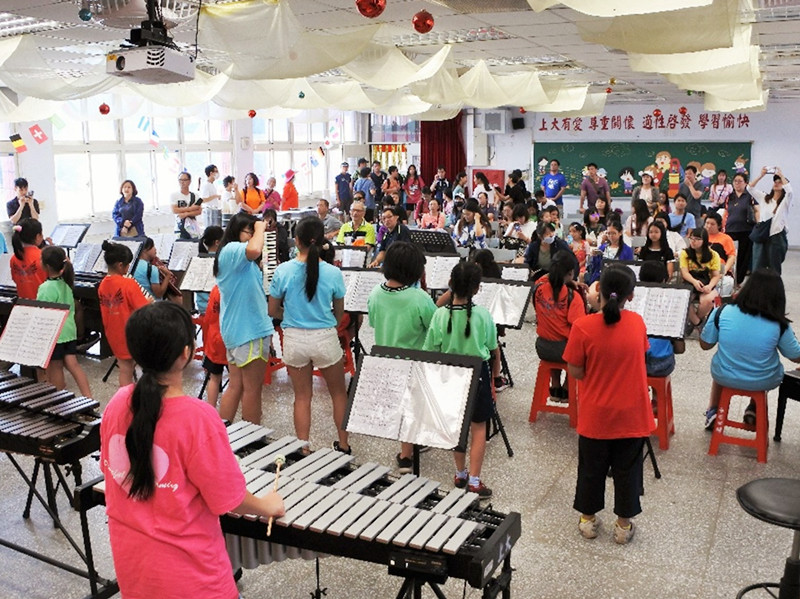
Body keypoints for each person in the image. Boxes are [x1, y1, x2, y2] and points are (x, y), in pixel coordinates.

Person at [100, 301, 284, 599]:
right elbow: (227, 499)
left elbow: (118, 474)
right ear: (186, 353)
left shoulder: (117, 403)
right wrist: (267, 505)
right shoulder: (198, 419)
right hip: (193, 579)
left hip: (134, 569)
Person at [564, 265, 653, 545]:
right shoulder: (637, 323)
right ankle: (623, 527)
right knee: (628, 472)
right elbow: (642, 354)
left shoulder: (583, 326)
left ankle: (588, 520)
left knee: (591, 469)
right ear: (632, 295)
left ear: (598, 290)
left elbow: (575, 371)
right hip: (633, 416)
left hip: (596, 417)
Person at [268, 217, 351, 454]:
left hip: (294, 339)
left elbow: (272, 310)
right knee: (338, 394)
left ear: (296, 241)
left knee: (302, 397)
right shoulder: (333, 272)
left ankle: (303, 447)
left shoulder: (283, 270)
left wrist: (291, 312)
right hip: (324, 337)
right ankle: (343, 444)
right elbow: (338, 315)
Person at [423, 262, 498, 499]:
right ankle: (475, 481)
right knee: (479, 429)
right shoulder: (483, 315)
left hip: (448, 378)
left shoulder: (439, 315)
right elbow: (492, 348)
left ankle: (460, 473)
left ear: (451, 285)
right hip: (478, 375)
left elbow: (430, 351)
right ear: (476, 289)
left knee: (457, 429)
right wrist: (495, 380)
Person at [700, 269, 800, 430]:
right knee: (767, 362)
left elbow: (705, 344)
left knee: (723, 361)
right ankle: (754, 407)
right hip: (763, 379)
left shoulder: (723, 311)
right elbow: (795, 355)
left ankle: (714, 411)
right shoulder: (779, 323)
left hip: (725, 375)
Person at [368, 242, 436, 472]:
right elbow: (434, 327)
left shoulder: (376, 292)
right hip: (415, 362)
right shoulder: (420, 298)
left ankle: (411, 443)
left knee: (404, 405)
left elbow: (374, 322)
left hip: (385, 360)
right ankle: (406, 455)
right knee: (412, 407)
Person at [213, 213, 274, 425]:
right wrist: (260, 227)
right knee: (252, 389)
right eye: (249, 231)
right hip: (248, 331)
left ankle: (223, 434)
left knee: (237, 385)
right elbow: (255, 248)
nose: (254, 235)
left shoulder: (239, 259)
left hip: (240, 329)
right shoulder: (231, 250)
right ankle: (252, 441)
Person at [37, 246, 92, 398]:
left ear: (46, 266)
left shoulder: (45, 288)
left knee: (56, 369)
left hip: (55, 334)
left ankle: (60, 403)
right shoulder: (65, 283)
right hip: (69, 332)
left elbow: (43, 314)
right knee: (74, 366)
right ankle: (89, 399)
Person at [97, 241, 154, 386]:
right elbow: (142, 309)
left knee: (124, 369)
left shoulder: (103, 284)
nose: (129, 268)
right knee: (144, 366)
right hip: (131, 334)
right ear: (121, 265)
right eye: (128, 264)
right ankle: (140, 398)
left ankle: (124, 400)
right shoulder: (128, 284)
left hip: (114, 333)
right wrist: (148, 301)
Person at [534, 250, 586, 399]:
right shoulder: (572, 296)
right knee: (580, 347)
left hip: (542, 347)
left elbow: (545, 279)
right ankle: (567, 388)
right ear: (570, 273)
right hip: (565, 350)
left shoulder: (538, 288)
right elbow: (579, 326)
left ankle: (555, 386)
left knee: (554, 335)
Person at [638, 261, 684, 383]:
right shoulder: (672, 303)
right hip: (662, 365)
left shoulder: (633, 300)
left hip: (634, 363)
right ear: (664, 281)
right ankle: (657, 400)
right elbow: (680, 349)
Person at [748, 166, 792, 274]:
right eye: (775, 181)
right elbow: (749, 188)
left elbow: (790, 191)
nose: (776, 183)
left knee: (774, 268)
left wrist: (781, 175)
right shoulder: (765, 198)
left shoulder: (785, 201)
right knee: (757, 266)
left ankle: (774, 290)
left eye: (779, 182)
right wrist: (761, 175)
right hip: (762, 234)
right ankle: (757, 289)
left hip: (777, 236)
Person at [680, 227, 721, 333]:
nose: (693, 241)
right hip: (690, 282)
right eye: (691, 238)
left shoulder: (713, 255)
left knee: (708, 300)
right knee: (683, 299)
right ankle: (698, 323)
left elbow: (716, 275)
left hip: (707, 282)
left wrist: (709, 286)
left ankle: (693, 322)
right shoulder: (685, 253)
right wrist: (694, 282)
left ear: (704, 240)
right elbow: (684, 273)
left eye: (697, 239)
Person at [724, 172, 759, 287]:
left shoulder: (750, 195)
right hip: (730, 229)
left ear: (745, 183)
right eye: (735, 181)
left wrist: (758, 224)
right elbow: (726, 212)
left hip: (746, 230)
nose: (737, 184)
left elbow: (757, 210)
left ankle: (738, 281)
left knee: (744, 257)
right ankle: (728, 278)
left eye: (740, 181)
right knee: (729, 255)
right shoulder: (729, 196)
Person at [200, 284, 226, 409]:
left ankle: (211, 409)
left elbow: (209, 317)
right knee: (237, 382)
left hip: (215, 338)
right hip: (233, 339)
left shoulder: (216, 289)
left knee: (214, 378)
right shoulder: (237, 286)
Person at [587, 220, 633, 285]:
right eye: (608, 233)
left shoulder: (627, 250)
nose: (611, 236)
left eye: (613, 233)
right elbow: (596, 267)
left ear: (620, 233)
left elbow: (629, 268)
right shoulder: (602, 248)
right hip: (602, 277)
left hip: (619, 278)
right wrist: (594, 256)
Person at [10, 218, 47, 299]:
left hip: (24, 306)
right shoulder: (44, 256)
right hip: (44, 305)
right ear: (38, 236)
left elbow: (15, 280)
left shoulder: (14, 258)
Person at [704, 212, 736, 294]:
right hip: (702, 270)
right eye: (707, 223)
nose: (709, 226)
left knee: (728, 282)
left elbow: (731, 256)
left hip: (719, 270)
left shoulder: (725, 238)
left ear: (718, 226)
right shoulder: (700, 237)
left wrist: (724, 270)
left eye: (712, 224)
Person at [195, 226, 224, 314]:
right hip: (217, 308)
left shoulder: (199, 260)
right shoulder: (222, 260)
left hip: (202, 307)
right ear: (217, 242)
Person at [171, 172, 202, 239]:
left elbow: (199, 211)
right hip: (179, 228)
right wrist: (191, 208)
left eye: (185, 180)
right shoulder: (174, 195)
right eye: (180, 180)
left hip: (193, 228)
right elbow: (174, 210)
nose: (182, 182)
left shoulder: (195, 196)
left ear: (189, 181)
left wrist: (186, 214)